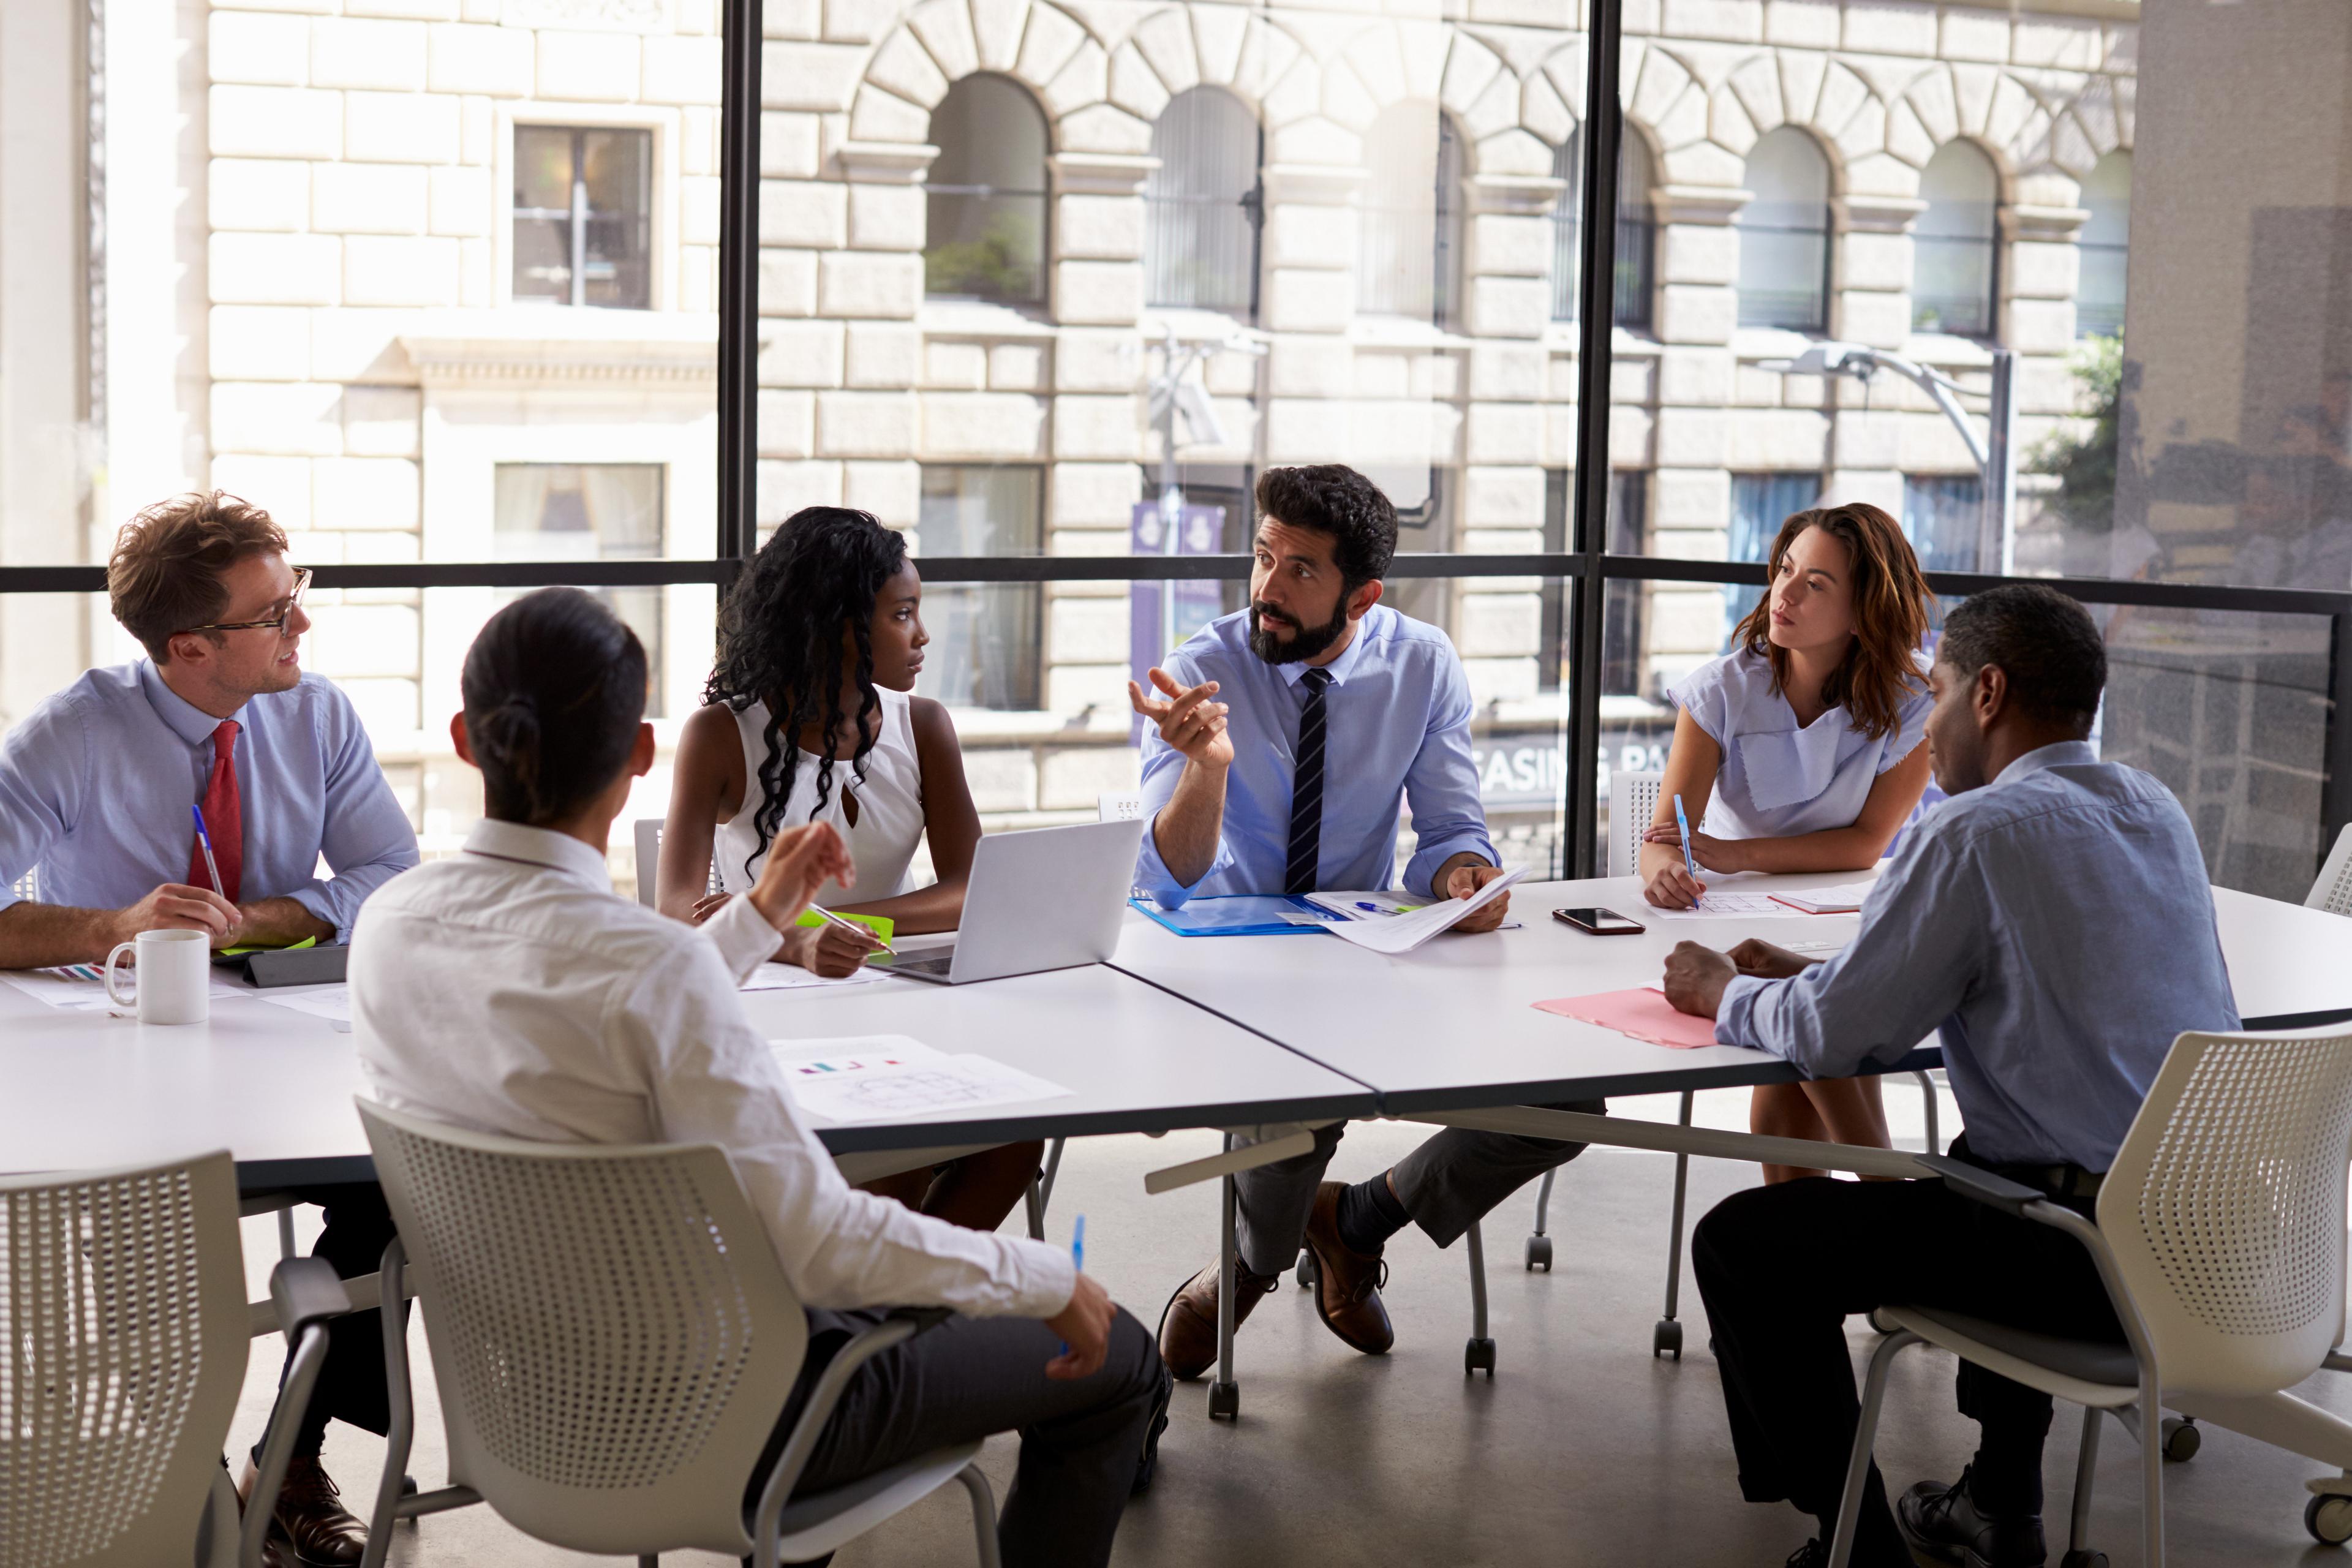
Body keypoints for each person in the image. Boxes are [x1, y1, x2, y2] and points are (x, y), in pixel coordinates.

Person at [352, 588, 1169, 1567]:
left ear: (462, 739)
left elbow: (637, 995)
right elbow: (822, 1247)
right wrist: (1047, 1279)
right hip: (733, 1418)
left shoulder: (394, 924)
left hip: (523, 1411)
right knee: (1121, 1357)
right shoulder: (648, 968)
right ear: (641, 756)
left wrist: (762, 913)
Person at [1658, 584, 2239, 1568]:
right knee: (1994, 1163)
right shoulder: (2154, 808)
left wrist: (1719, 993)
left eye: (1939, 690)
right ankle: (2001, 1506)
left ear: (1990, 693)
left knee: (1746, 1246)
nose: (1926, 722)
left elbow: (1834, 1041)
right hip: (2209, 1238)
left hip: (2081, 1262)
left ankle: (1859, 1549)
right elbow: (2048, 976)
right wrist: (1852, 969)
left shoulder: (1972, 831)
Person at [0, 491, 421, 1567]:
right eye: (275, 613)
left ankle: (287, 1457)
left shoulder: (315, 714)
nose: (302, 627)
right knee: (149, 1222)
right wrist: (112, 922)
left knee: (400, 1180)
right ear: (190, 647)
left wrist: (263, 919)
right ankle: (176, 1474)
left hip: (284, 1051)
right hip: (122, 1066)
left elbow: (394, 878)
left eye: (297, 597)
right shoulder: (74, 731)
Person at [1130, 462, 1600, 1379]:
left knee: (1568, 1103)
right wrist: (1208, 769)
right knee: (1293, 1105)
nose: (1268, 586)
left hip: (1361, 950)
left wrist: (1466, 874)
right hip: (1230, 964)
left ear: (1364, 594)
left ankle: (1357, 1219)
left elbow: (1452, 832)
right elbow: (1166, 877)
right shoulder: (1199, 670)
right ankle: (1251, 1270)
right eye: (1264, 556)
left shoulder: (1421, 664)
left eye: (1300, 569)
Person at [660, 506, 1042, 1232]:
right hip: (772, 1008)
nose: (924, 635)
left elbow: (972, 890)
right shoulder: (719, 736)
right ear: (837, 624)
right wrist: (791, 938)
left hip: (901, 1000)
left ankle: (901, 1319)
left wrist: (838, 923)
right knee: (894, 1155)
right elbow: (675, 918)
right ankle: (882, 1322)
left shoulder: (923, 725)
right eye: (902, 615)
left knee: (1018, 1136)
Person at [1640, 502, 1933, 1182]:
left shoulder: (1915, 699)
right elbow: (1665, 838)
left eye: (1816, 583)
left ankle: (1869, 1210)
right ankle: (1880, 1201)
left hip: (1849, 913)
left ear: (1864, 612)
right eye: (1785, 570)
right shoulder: (1722, 690)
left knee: (1802, 1035)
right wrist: (1664, 870)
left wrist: (1733, 854)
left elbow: (1865, 845)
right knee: (1802, 1047)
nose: (1785, 593)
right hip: (1743, 918)